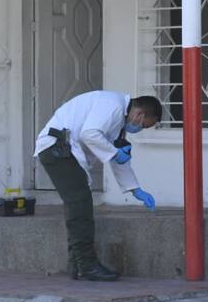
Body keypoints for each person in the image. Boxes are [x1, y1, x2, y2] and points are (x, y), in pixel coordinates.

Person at [34, 91, 162, 281]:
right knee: (80, 203)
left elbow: (117, 155)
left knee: (78, 205)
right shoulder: (112, 105)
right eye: (143, 125)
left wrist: (136, 189)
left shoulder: (119, 121)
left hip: (62, 150)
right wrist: (114, 152)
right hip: (57, 147)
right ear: (139, 115)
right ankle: (87, 265)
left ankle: (77, 265)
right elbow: (90, 134)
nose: (140, 129)